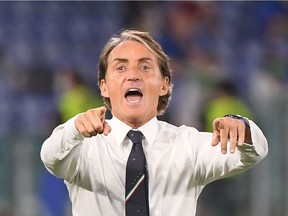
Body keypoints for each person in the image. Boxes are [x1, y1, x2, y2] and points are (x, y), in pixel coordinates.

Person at [40, 29, 268, 216]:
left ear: (164, 85)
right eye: (120, 68)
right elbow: (50, 157)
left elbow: (252, 153)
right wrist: (74, 127)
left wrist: (242, 128)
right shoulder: (84, 148)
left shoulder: (187, 144)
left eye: (145, 67)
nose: (133, 75)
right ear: (104, 87)